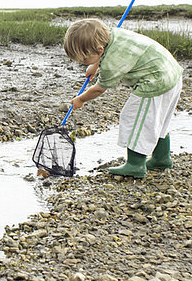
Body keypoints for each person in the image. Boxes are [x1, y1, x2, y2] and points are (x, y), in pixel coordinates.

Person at [63, 18, 183, 178]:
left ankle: (135, 165)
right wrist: (94, 64)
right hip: (171, 74)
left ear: (99, 50)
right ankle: (161, 158)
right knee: (157, 119)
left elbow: (99, 89)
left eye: (85, 60)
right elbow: (105, 52)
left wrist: (81, 99)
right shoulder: (113, 35)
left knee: (136, 119)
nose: (83, 63)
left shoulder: (112, 62)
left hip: (155, 82)